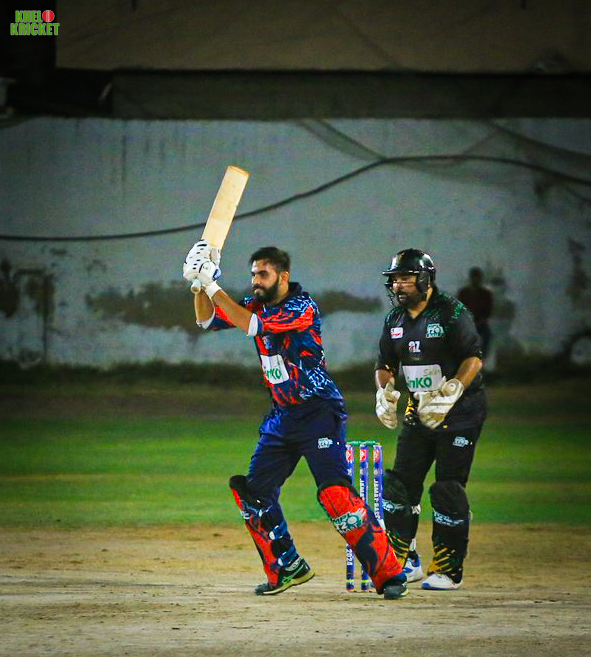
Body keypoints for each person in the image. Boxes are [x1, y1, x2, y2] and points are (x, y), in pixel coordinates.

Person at [182, 241, 408, 599]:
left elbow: (252, 326)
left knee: (335, 495)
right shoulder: (254, 303)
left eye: (263, 274)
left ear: (283, 277)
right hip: (282, 417)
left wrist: (212, 284)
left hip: (318, 412)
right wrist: (197, 284)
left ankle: (390, 575)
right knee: (254, 495)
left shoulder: (301, 306)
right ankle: (286, 566)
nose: (256, 280)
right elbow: (206, 320)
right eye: (253, 274)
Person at [374, 248, 486, 590]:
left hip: (461, 412)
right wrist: (385, 391)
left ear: (425, 280)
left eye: (406, 278)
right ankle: (406, 561)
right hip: (418, 411)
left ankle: (449, 570)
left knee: (448, 488)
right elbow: (385, 364)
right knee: (398, 487)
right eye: (395, 279)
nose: (398, 285)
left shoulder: (451, 312)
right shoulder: (394, 320)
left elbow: (473, 358)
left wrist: (453, 390)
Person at [457, 267, 494, 360]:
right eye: (474, 277)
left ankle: (482, 357)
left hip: (480, 323)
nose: (475, 280)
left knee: (487, 336)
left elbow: (488, 311)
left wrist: (480, 322)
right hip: (466, 323)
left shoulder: (486, 294)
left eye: (477, 277)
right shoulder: (463, 293)